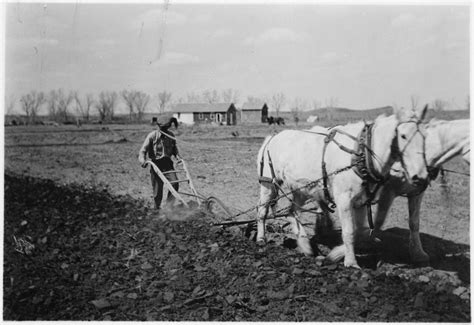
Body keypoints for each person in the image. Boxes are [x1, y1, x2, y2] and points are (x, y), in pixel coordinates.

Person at [138, 117, 180, 210]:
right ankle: (156, 209)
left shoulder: (171, 135)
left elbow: (174, 149)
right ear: (159, 126)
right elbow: (142, 151)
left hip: (168, 164)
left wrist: (178, 157)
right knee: (158, 190)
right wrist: (143, 161)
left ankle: (169, 208)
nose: (164, 130)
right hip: (156, 164)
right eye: (162, 128)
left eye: (166, 128)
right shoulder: (152, 136)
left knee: (175, 184)